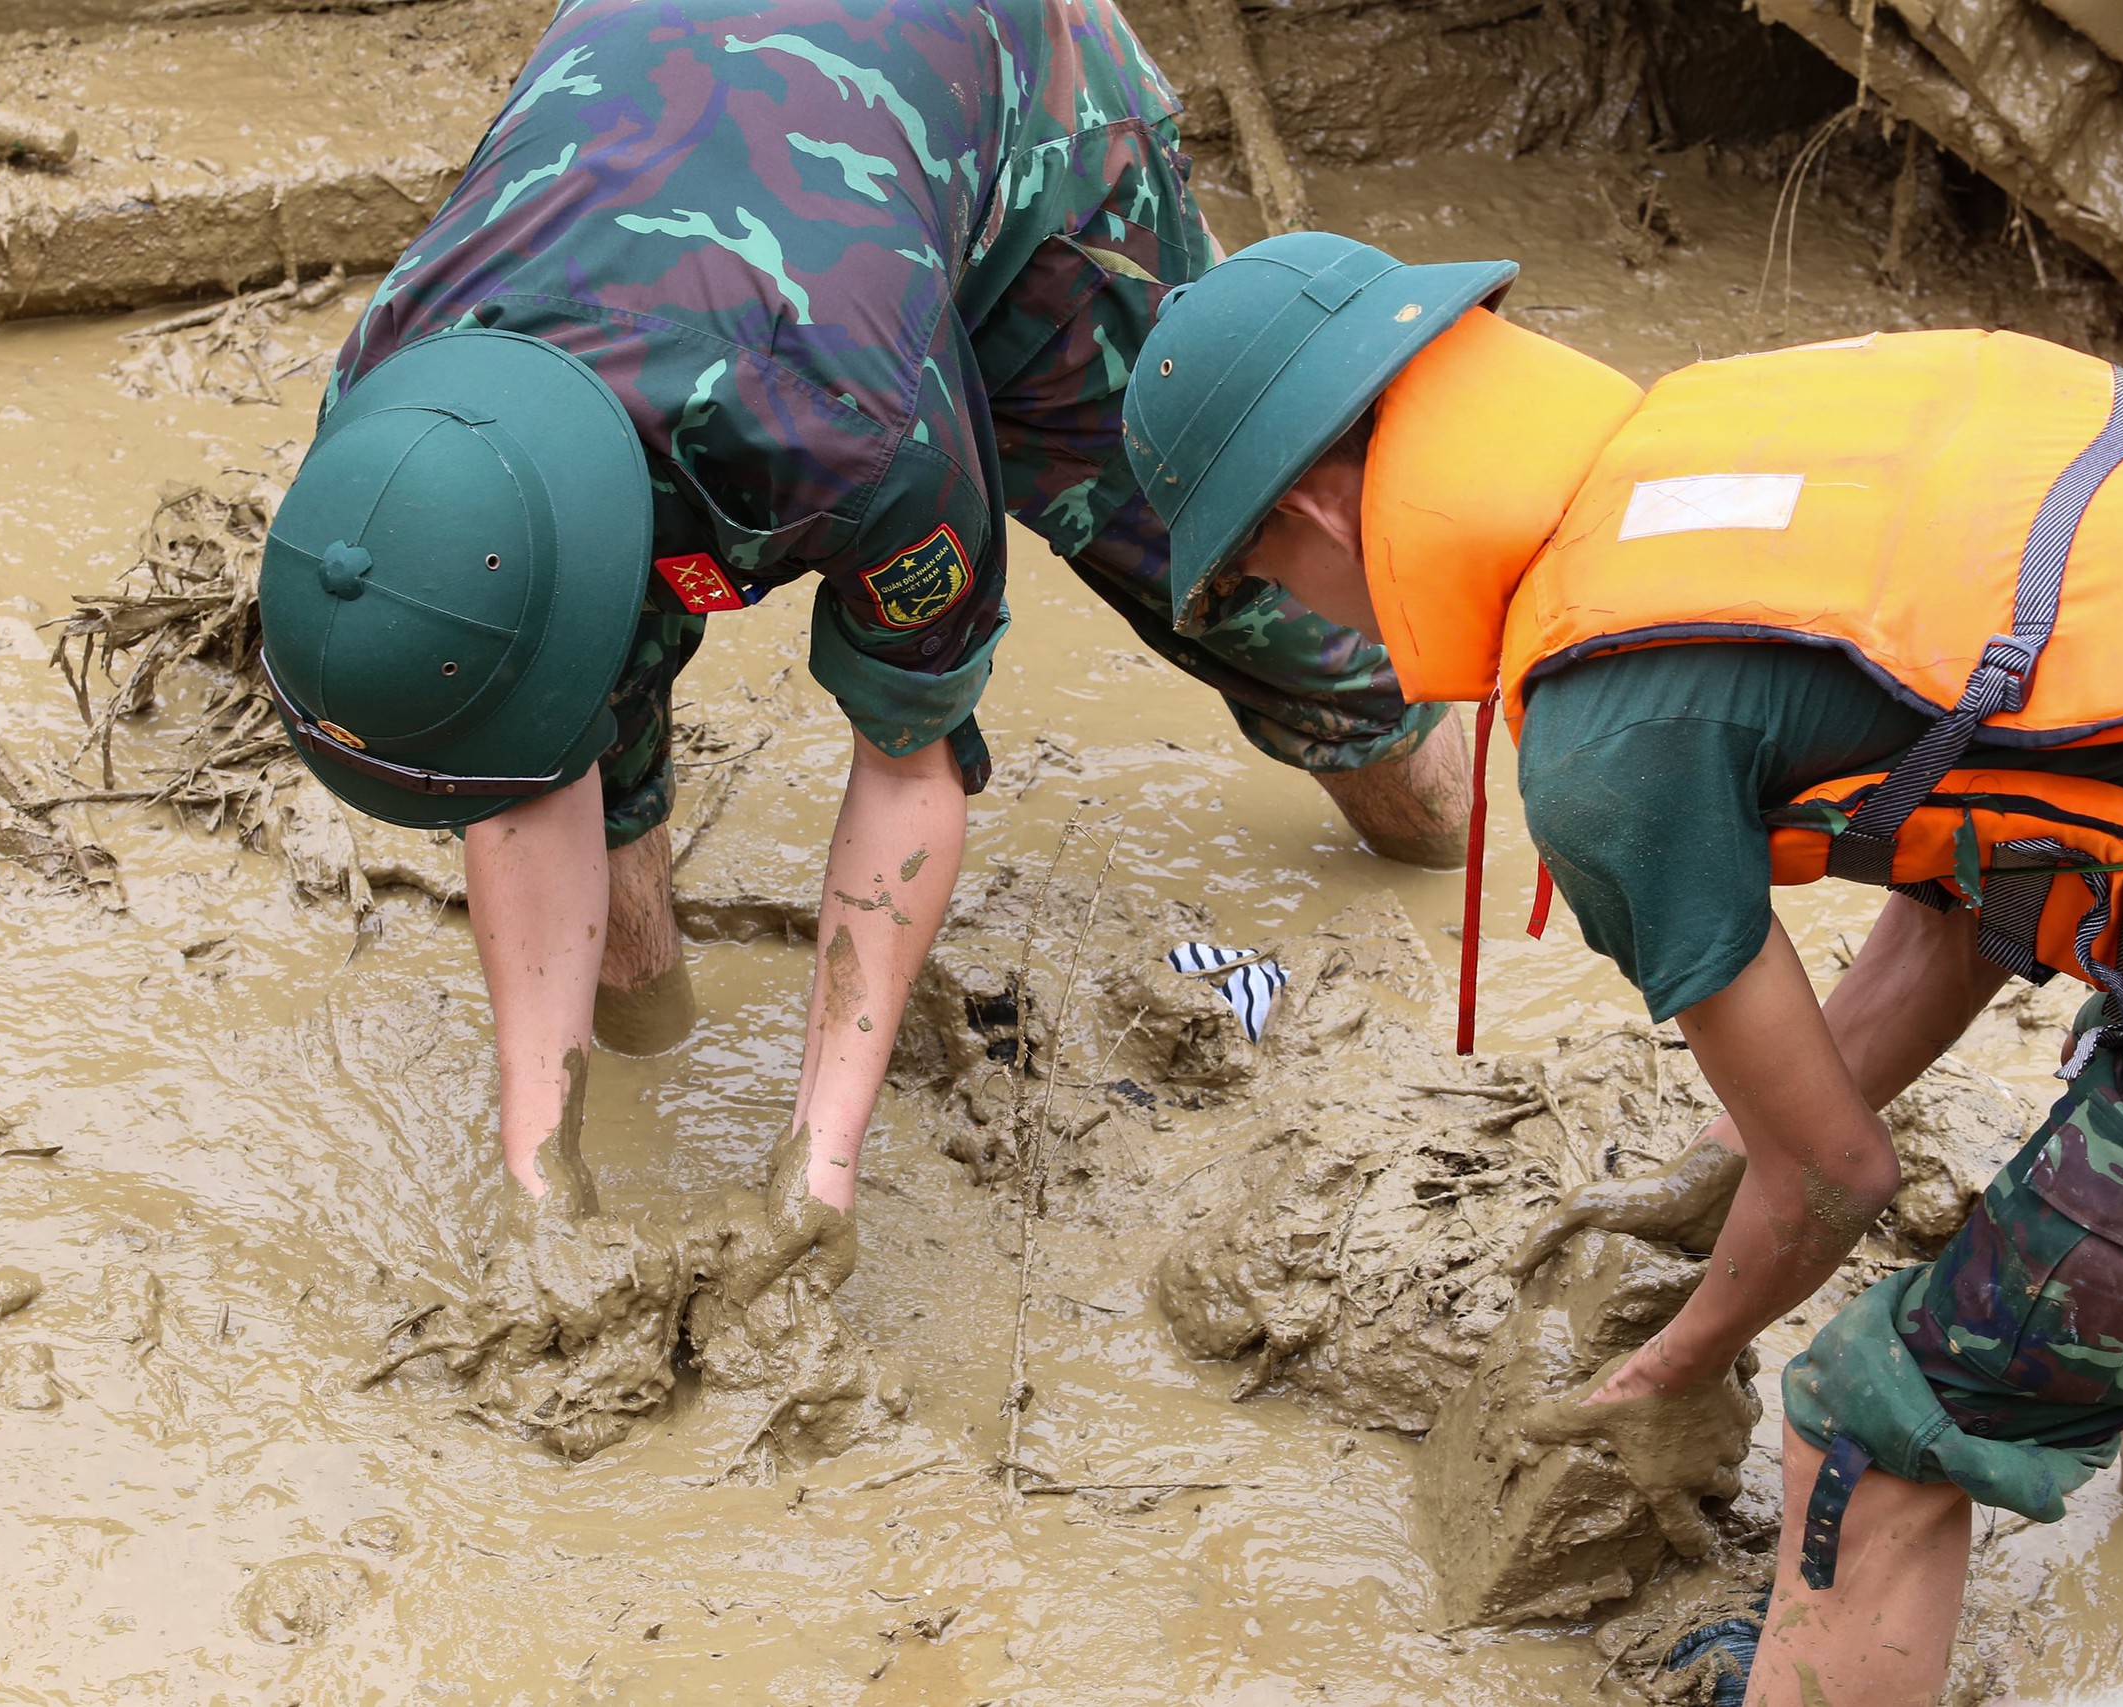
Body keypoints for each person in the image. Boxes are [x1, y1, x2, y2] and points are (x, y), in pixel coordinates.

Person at [1124, 230, 2123, 1706]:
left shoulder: (1604, 735)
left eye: (1259, 578)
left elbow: (1838, 1176)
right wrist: (1722, 1144)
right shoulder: (1734, 432)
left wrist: (1671, 1368)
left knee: (1870, 1423)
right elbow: (1973, 877)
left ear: (1310, 505)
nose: (1302, 616)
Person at [253, 0, 1470, 1222]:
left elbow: (908, 763)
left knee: (1242, 568)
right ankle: (603, 1078)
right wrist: (536, 1169)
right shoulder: (397, 421)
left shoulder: (855, 443)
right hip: (688, 163)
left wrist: (820, 1165)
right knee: (575, 717)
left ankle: (1417, 789)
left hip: (1024, 120)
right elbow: (523, 775)